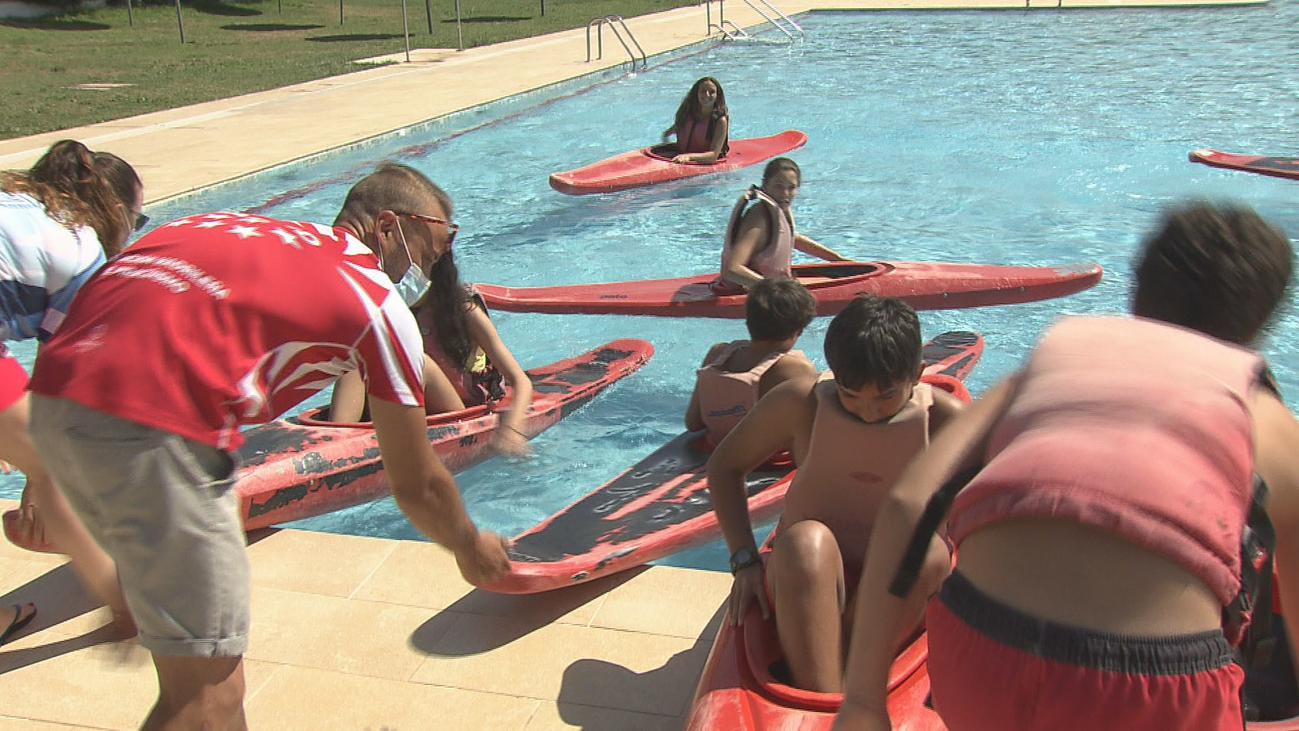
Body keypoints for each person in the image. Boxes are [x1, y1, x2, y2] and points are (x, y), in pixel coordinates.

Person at [26, 162, 511, 729]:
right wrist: (468, 545)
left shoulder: (227, 226)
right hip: (154, 433)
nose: (421, 274)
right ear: (386, 227)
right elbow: (416, 483)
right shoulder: (374, 302)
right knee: (209, 702)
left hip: (54, 403)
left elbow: (115, 296)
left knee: (201, 681)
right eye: (423, 255)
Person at [833, 201, 1299, 731]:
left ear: (1136, 297)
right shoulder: (1266, 420)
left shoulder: (1054, 361)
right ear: (1258, 328)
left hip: (979, 650)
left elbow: (907, 503)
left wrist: (863, 701)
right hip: (1147, 691)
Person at [707, 294, 966, 692]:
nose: (868, 411)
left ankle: (855, 676)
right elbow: (725, 468)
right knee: (804, 542)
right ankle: (823, 695)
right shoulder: (800, 404)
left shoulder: (948, 422)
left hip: (897, 590)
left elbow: (1005, 507)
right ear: (834, 374)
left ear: (918, 373)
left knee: (926, 551)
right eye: (851, 394)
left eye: (885, 397)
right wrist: (743, 559)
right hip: (806, 575)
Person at [0, 139, 145, 636]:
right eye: (138, 221)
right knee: (51, 461)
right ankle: (121, 600)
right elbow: (58, 383)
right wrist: (37, 479)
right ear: (117, 212)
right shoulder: (83, 249)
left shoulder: (21, 201)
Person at [329, 248, 535, 457]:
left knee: (419, 362)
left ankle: (341, 451)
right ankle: (334, 440)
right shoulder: (393, 310)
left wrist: (511, 431)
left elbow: (520, 381)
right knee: (357, 360)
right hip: (414, 406)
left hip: (458, 412)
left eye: (396, 268)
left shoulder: (465, 311)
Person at [685, 277, 817, 446]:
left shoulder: (718, 354)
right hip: (766, 458)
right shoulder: (795, 368)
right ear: (797, 331)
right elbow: (809, 434)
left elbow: (693, 423)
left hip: (717, 447)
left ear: (748, 320)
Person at [718, 157, 849, 291]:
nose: (785, 194)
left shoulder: (779, 208)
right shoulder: (759, 219)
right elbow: (732, 269)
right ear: (765, 185)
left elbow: (790, 238)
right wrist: (779, 292)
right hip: (750, 294)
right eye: (778, 186)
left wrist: (839, 260)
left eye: (791, 187)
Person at [662, 76, 730, 165]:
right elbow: (668, 133)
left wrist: (689, 157)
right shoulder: (687, 113)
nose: (707, 95)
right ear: (696, 93)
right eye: (703, 91)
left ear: (717, 96)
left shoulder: (720, 121)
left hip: (704, 163)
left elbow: (713, 156)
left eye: (712, 92)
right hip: (681, 157)